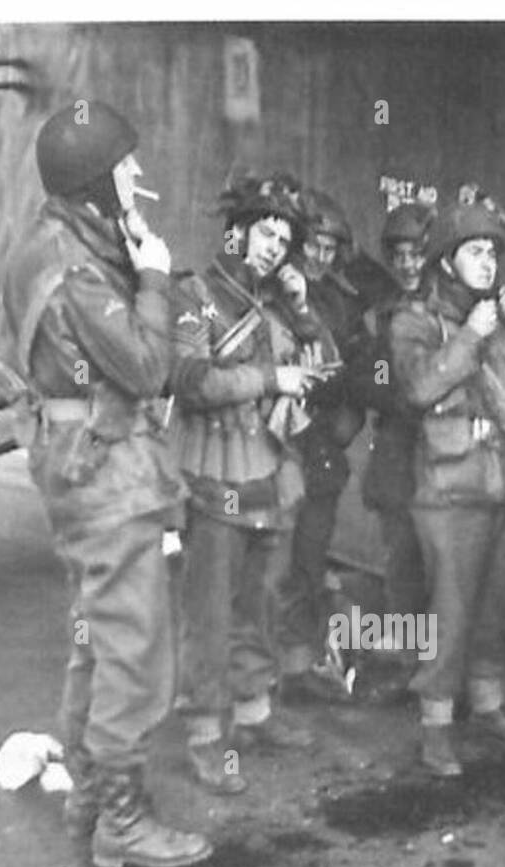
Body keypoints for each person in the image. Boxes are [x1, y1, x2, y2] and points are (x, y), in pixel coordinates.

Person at [2, 100, 212, 867]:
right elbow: (147, 368)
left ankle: (91, 795)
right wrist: (153, 276)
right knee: (135, 647)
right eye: (126, 170)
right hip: (108, 470)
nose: (139, 179)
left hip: (81, 459)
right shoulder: (79, 271)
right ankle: (122, 817)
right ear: (95, 185)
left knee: (94, 638)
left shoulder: (50, 246)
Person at [390, 198, 505, 777]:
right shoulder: (415, 320)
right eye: (475, 251)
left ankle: (490, 707)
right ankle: (437, 726)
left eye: (493, 252)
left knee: (496, 606)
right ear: (446, 260)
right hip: (449, 491)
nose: (489, 262)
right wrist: (470, 335)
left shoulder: (502, 320)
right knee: (449, 611)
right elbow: (418, 389)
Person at [167, 175, 329, 794]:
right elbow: (190, 379)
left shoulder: (278, 300)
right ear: (237, 231)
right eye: (265, 232)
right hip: (213, 471)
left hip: (268, 470)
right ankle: (207, 733)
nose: (272, 248)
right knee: (208, 609)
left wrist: (304, 303)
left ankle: (256, 713)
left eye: (283, 240)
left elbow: (326, 367)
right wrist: (270, 378)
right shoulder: (195, 293)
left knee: (261, 597)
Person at [277, 188, 370, 703]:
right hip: (277, 448)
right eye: (314, 244)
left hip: (323, 450)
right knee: (268, 564)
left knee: (309, 562)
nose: (321, 256)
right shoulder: (271, 293)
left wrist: (347, 421)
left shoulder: (342, 303)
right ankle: (249, 675)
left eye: (332, 248)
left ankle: (295, 668)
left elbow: (360, 374)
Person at [359, 202, 434, 640]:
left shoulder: (447, 303)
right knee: (403, 555)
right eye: (399, 255)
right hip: (399, 446)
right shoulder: (385, 313)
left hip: (442, 446)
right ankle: (405, 654)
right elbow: (377, 380)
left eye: (417, 254)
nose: (408, 265)